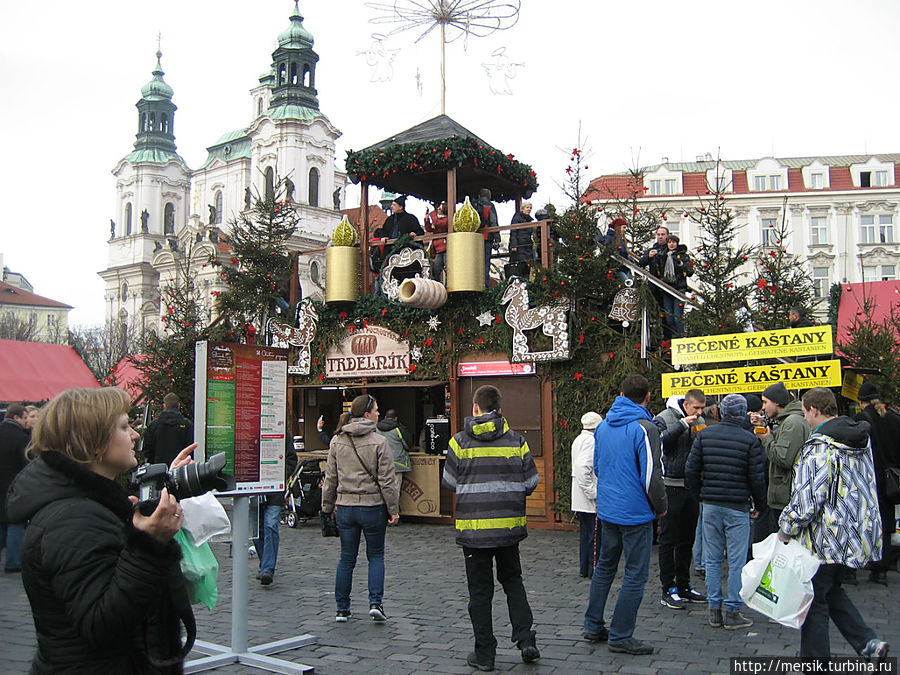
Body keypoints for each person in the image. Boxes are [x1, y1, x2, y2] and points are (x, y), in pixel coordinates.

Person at [6, 387, 196, 673]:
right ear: (91, 442)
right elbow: (102, 624)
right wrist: (149, 544)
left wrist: (167, 485)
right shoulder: (73, 519)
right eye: (123, 427)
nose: (134, 435)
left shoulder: (87, 502)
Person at [778, 387, 889, 663]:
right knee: (831, 591)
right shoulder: (859, 441)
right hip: (851, 535)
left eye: (805, 412)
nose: (805, 418)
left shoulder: (819, 447)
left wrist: (786, 527)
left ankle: (816, 664)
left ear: (814, 410)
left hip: (823, 540)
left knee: (813, 603)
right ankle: (868, 643)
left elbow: (808, 498)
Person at [442, 384, 540, 671]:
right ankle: (526, 640)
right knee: (513, 582)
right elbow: (531, 482)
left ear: (475, 408)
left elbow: (449, 482)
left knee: (480, 593)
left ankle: (485, 654)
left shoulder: (459, 443)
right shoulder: (517, 441)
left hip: (474, 532)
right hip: (508, 528)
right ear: (500, 409)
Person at [583, 375, 667, 656]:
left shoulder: (604, 426)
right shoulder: (645, 428)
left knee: (605, 567)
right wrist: (661, 506)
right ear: (648, 397)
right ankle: (620, 635)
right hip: (635, 512)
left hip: (608, 508)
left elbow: (597, 466)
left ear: (621, 393)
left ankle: (593, 624)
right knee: (635, 574)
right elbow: (652, 476)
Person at [685, 394, 766, 630]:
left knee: (712, 559)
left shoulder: (706, 435)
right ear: (742, 414)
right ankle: (732, 610)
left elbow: (691, 469)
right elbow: (757, 478)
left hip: (710, 504)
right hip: (737, 506)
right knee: (737, 560)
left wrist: (700, 493)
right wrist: (759, 505)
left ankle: (714, 610)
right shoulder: (750, 440)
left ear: (721, 412)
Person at [321, 395, 400, 623]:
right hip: (372, 506)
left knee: (346, 558)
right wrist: (393, 509)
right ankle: (375, 603)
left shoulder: (337, 441)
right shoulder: (379, 442)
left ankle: (342, 608)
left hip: (345, 507)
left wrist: (326, 508)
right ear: (367, 414)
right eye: (376, 410)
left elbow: (331, 479)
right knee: (375, 556)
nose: (378, 414)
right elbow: (387, 481)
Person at [652, 389, 707, 610]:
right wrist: (683, 424)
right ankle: (668, 588)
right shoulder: (664, 418)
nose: (699, 412)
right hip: (671, 485)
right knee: (668, 539)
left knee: (687, 538)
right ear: (686, 405)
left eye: (702, 408)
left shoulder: (701, 420)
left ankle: (684, 584)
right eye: (696, 408)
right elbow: (659, 441)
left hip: (691, 485)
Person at [750, 382, 810, 536]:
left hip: (786, 497)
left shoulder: (792, 422)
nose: (763, 408)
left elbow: (783, 458)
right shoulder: (788, 421)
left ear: (776, 402)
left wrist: (766, 438)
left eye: (765, 402)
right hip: (783, 495)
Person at [855, 381, 900, 584]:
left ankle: (861, 561)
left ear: (861, 402)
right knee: (887, 522)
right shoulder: (893, 418)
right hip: (890, 479)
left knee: (866, 522)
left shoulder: (862, 419)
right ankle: (882, 567)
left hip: (868, 479)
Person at [254, 436, 298, 585]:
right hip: (254, 489)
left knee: (270, 525)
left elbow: (292, 459)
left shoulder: (280, 430)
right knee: (257, 529)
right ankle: (264, 563)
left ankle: (267, 568)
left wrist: (280, 475)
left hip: (274, 489)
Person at [572, 411, 603, 578]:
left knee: (586, 535)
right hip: (590, 498)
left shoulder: (580, 439)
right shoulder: (591, 441)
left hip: (582, 497)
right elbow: (583, 469)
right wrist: (594, 493)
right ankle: (593, 569)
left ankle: (585, 568)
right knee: (594, 537)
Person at [0, 403, 29, 574]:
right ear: (16, 417)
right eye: (25, 418)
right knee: (15, 522)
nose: (27, 421)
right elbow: (26, 464)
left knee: (1, 524)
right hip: (14, 486)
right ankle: (13, 562)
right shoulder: (21, 438)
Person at [650, 235, 693, 336]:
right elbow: (657, 269)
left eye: (674, 242)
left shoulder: (682, 256)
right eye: (669, 242)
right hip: (666, 289)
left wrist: (682, 265)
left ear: (677, 244)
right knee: (669, 319)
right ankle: (675, 339)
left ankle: (681, 337)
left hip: (679, 289)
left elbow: (690, 271)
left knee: (677, 318)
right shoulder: (663, 256)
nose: (671, 244)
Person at [144, 392, 195, 467]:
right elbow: (191, 448)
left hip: (159, 468)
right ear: (178, 405)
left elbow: (148, 449)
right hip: (180, 467)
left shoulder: (154, 425)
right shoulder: (187, 425)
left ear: (164, 405)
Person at [376, 409, 412, 482]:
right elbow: (407, 445)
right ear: (396, 418)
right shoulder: (399, 429)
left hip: (380, 464)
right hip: (397, 465)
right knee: (395, 491)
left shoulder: (376, 429)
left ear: (385, 417)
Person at [476, 188, 500, 288]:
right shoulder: (490, 206)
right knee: (485, 263)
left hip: (475, 237)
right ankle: (485, 287)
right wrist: (497, 239)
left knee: (476, 262)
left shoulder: (475, 204)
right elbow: (493, 222)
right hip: (486, 237)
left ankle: (475, 285)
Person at [598, 217, 631, 282]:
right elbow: (608, 250)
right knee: (627, 284)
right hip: (616, 269)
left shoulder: (620, 239)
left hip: (624, 267)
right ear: (618, 227)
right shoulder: (610, 238)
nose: (625, 230)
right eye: (623, 227)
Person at [425, 201, 449, 284]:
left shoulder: (447, 219)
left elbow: (438, 224)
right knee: (436, 268)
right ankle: (438, 285)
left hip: (445, 247)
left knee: (448, 267)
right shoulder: (438, 219)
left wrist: (432, 213)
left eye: (439, 208)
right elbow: (429, 229)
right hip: (438, 248)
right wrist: (427, 220)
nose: (437, 210)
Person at [509, 202, 535, 277]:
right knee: (520, 265)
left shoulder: (529, 220)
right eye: (527, 207)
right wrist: (514, 245)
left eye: (530, 208)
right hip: (519, 246)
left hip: (528, 246)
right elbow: (513, 232)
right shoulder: (517, 217)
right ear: (522, 208)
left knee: (528, 266)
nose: (529, 209)